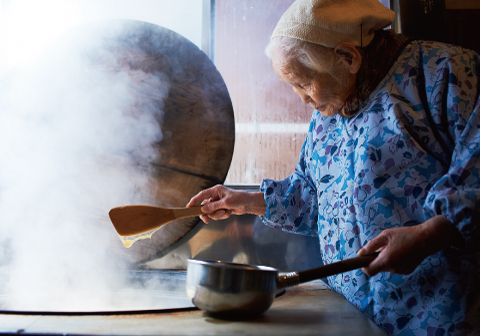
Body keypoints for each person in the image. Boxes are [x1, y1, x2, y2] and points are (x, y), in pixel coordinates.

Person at [187, 0, 480, 334]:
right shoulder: (328, 111)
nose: (301, 99)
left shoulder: (447, 74)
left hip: (438, 315)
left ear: (348, 57)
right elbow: (312, 200)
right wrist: (243, 200)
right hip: (352, 316)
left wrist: (428, 236)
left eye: (304, 82)